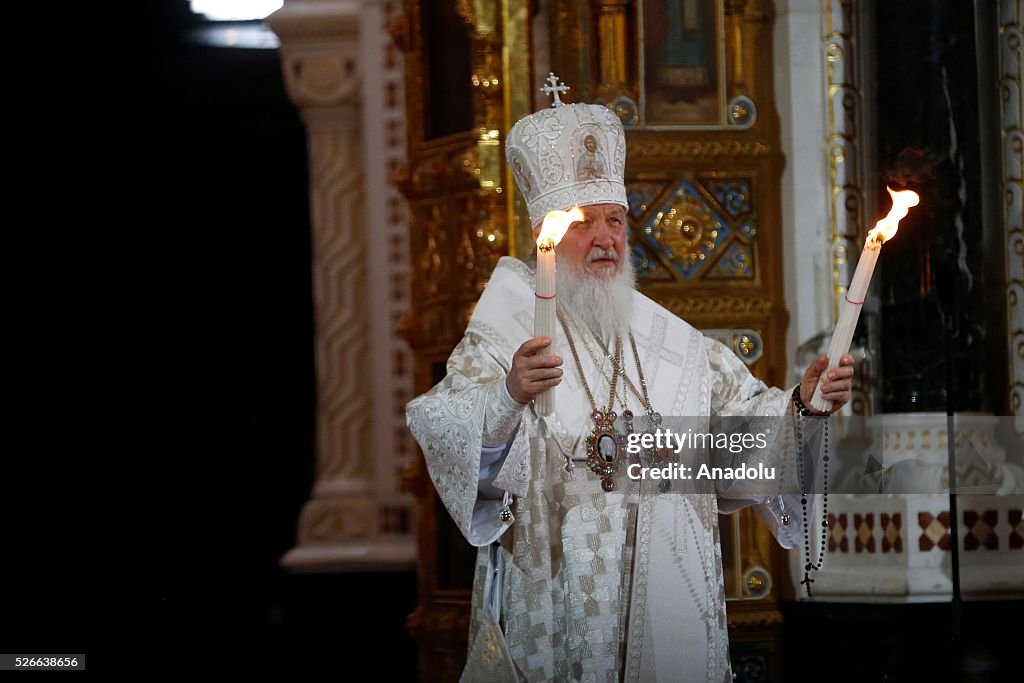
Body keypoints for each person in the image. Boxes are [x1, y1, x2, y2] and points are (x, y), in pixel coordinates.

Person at [406, 80, 854, 682]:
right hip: (562, 590)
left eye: (615, 220)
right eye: (583, 222)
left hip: (672, 591)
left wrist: (803, 407)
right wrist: (508, 395)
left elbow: (736, 440)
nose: (605, 238)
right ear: (546, 235)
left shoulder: (675, 342)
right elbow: (442, 425)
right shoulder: (506, 331)